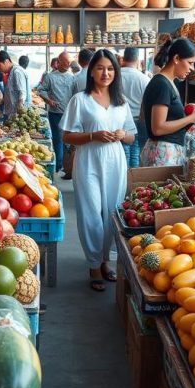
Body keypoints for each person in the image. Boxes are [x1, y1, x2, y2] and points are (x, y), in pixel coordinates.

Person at [60, 49, 136, 292]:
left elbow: (132, 136)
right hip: (89, 161)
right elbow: (66, 136)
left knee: (112, 213)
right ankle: (93, 264)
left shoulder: (121, 102)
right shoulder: (80, 100)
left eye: (111, 68)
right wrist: (93, 135)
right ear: (91, 71)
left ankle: (105, 260)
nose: (106, 73)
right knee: (91, 212)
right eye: (101, 68)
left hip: (115, 160)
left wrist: (123, 135)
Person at [141, 38, 195, 167]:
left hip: (168, 151)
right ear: (177, 58)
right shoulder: (161, 84)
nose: (192, 68)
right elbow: (157, 128)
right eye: (190, 63)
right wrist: (193, 117)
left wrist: (190, 111)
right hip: (163, 154)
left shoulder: (169, 83)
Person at [39, 52, 76, 175]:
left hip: (69, 113)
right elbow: (41, 90)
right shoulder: (50, 77)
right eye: (65, 62)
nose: (68, 64)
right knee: (57, 140)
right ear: (58, 62)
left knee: (68, 141)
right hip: (55, 113)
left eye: (69, 62)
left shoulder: (73, 77)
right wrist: (49, 101)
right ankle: (58, 165)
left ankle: (67, 166)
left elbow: (76, 96)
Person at [120, 47, 151, 168]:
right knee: (136, 150)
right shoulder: (144, 79)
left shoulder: (116, 77)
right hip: (139, 119)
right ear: (137, 60)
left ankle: (124, 177)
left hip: (121, 119)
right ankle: (134, 178)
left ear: (123, 58)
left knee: (124, 150)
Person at [0, 50, 29, 118]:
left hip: (16, 114)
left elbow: (22, 93)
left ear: (7, 61)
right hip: (11, 112)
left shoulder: (17, 72)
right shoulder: (11, 72)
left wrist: (18, 113)